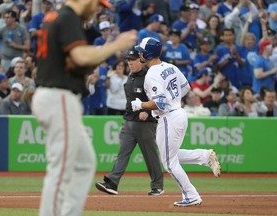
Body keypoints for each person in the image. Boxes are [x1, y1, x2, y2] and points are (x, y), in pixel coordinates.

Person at [31, 0, 137, 215]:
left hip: (54, 94)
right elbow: (79, 56)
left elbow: (71, 61)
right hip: (57, 95)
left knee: (84, 163)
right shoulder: (68, 16)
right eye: (98, 5)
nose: (99, 10)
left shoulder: (56, 16)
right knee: (60, 169)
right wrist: (116, 45)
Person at [131, 37, 221, 207]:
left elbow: (160, 103)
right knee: (170, 156)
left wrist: (140, 105)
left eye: (141, 51)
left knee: (169, 163)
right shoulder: (170, 66)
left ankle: (191, 195)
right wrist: (173, 98)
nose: (139, 53)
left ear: (148, 53)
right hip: (178, 112)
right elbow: (186, 87)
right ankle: (203, 156)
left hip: (168, 117)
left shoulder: (151, 74)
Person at [95, 48, 164, 196]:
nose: (130, 62)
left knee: (150, 155)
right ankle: (112, 183)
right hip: (129, 121)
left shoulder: (149, 77)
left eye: (133, 60)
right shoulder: (130, 77)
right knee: (122, 154)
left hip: (146, 123)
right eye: (129, 60)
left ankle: (157, 185)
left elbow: (158, 99)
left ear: (141, 60)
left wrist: (148, 111)